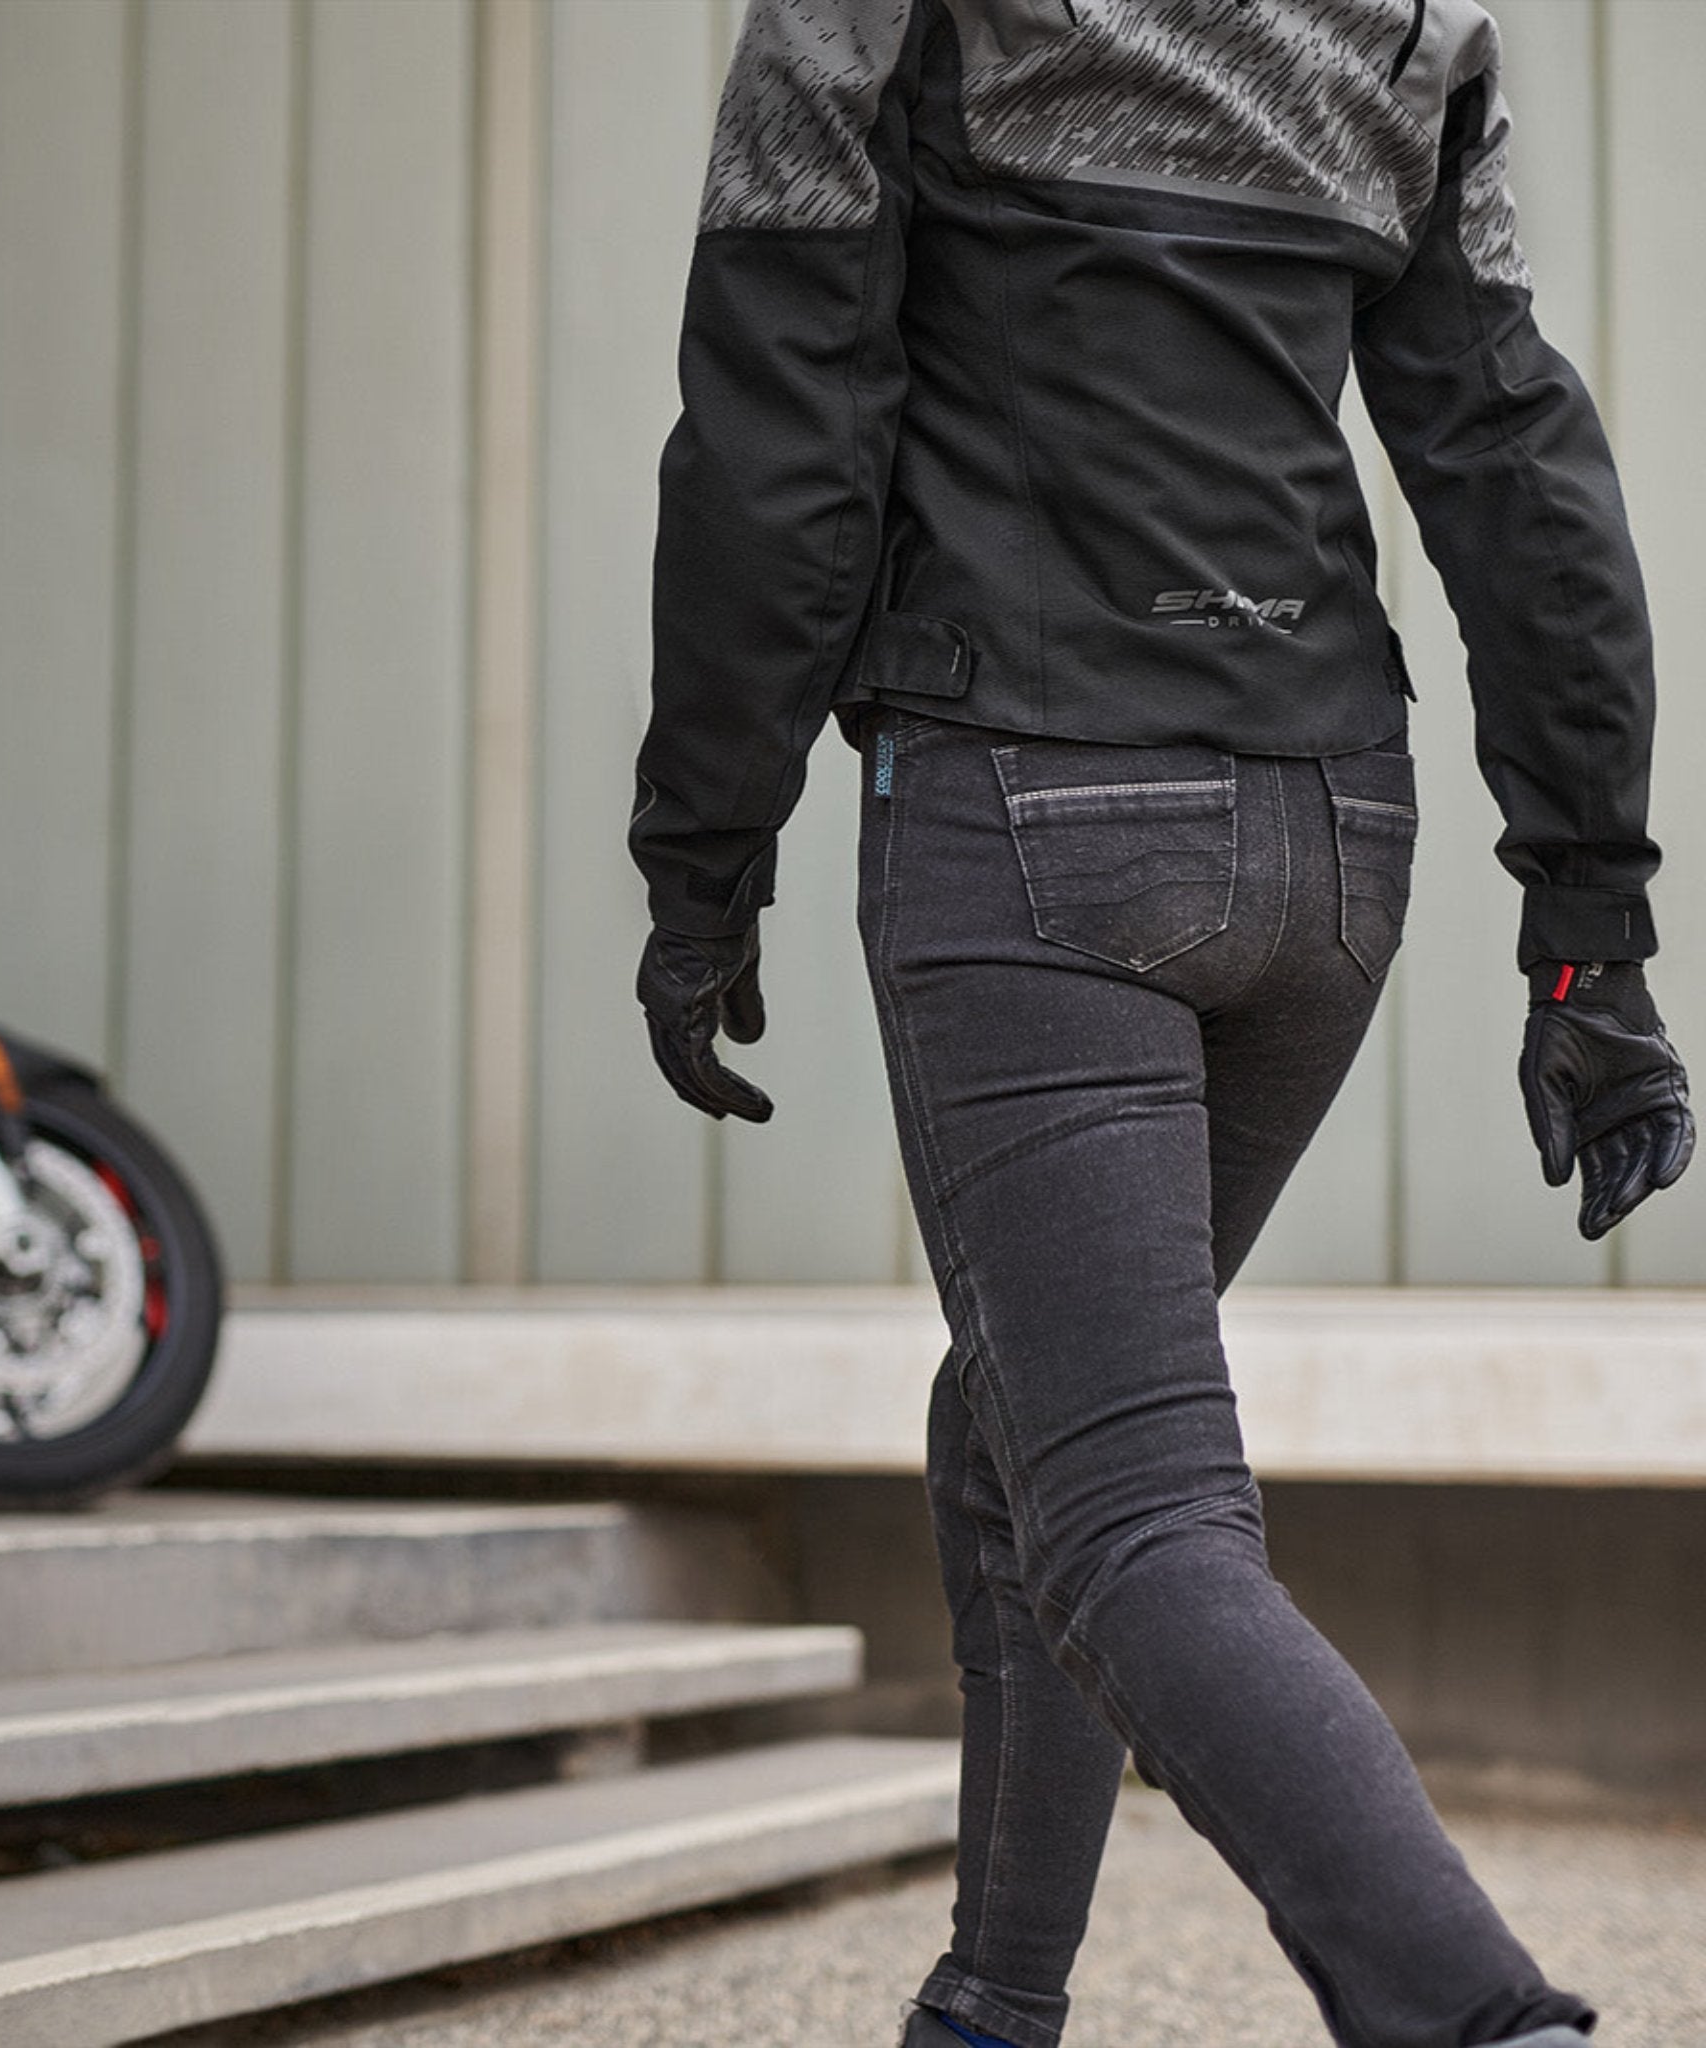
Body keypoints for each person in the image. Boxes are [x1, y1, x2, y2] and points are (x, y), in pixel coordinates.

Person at [629, 2, 1695, 2045]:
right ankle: (992, 2006)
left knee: (1133, 1519)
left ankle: (1490, 2022)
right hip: (1328, 841)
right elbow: (1510, 454)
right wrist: (1590, 932)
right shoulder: (1407, 23)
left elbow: (782, 406)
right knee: (1018, 1431)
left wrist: (702, 843)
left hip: (1036, 811)